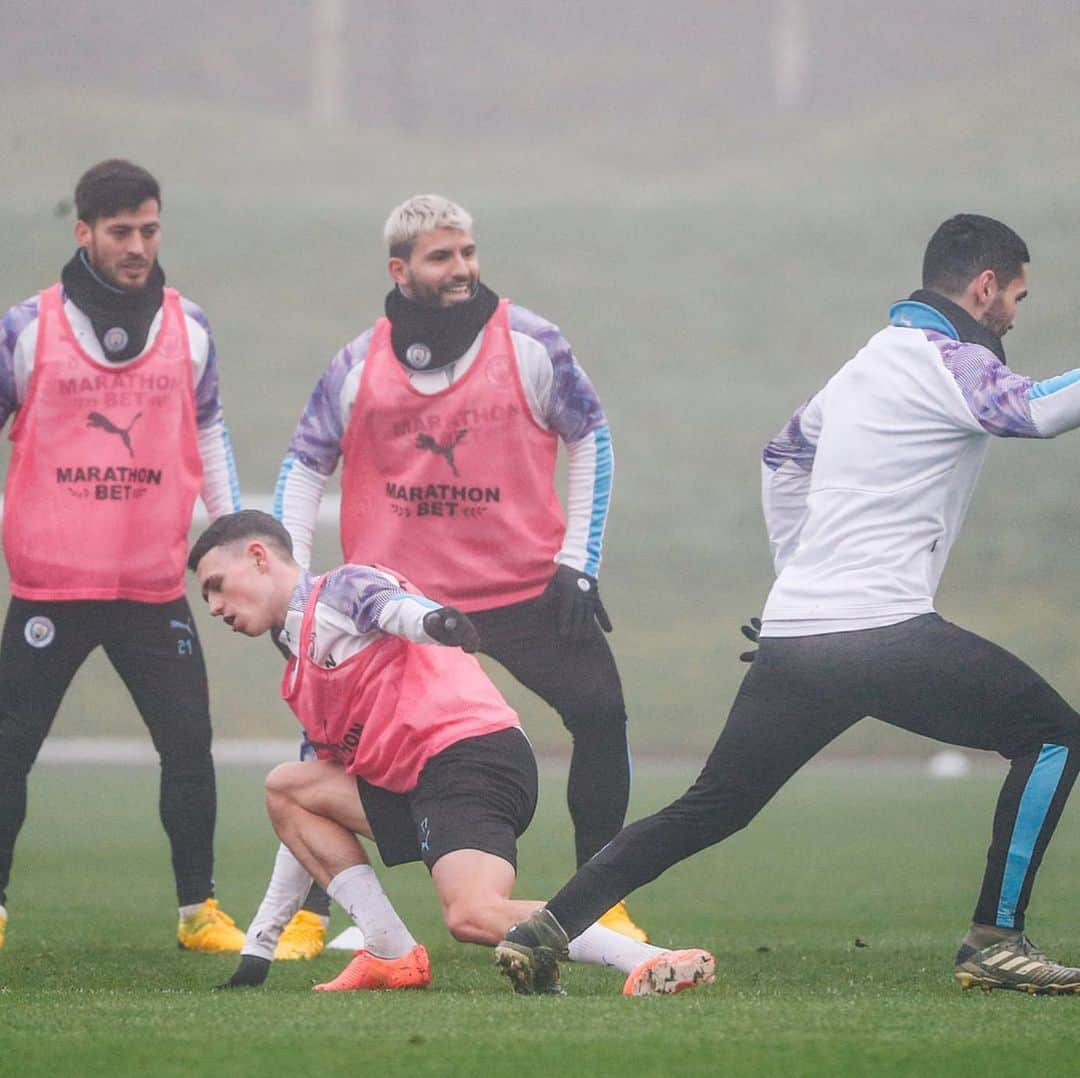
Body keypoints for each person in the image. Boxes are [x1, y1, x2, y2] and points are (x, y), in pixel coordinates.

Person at [497, 214, 1080, 997]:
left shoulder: (865, 364)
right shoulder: (948, 360)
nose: (1014, 314)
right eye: (1015, 297)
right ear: (983, 287)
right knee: (1052, 737)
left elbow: (782, 457)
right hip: (878, 631)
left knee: (712, 806)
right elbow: (1038, 410)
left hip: (801, 636)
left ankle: (544, 930)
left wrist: (791, 584)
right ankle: (995, 939)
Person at [272, 193, 643, 943]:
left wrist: (579, 561)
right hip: (403, 611)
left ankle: (601, 901)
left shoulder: (532, 343)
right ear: (399, 270)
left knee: (601, 716)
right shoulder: (357, 364)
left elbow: (591, 437)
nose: (463, 268)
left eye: (468, 251)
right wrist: (295, 593)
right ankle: (324, 919)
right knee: (330, 752)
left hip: (523, 589)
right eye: (442, 257)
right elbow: (303, 464)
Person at [188, 510, 712, 995]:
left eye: (216, 586)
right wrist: (259, 947)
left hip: (473, 758)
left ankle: (651, 958)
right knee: (289, 788)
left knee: (472, 915)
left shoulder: (337, 589)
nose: (213, 606)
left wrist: (435, 623)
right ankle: (390, 952)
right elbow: (302, 827)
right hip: (421, 784)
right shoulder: (299, 673)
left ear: (258, 557)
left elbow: (391, 609)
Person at [0, 159, 245, 953]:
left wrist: (233, 535)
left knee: (187, 747)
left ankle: (198, 913)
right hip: (51, 586)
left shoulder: (191, 326)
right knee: (8, 749)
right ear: (84, 233)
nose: (137, 246)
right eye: (119, 232)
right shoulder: (25, 328)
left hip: (150, 588)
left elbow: (208, 434)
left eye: (148, 230)